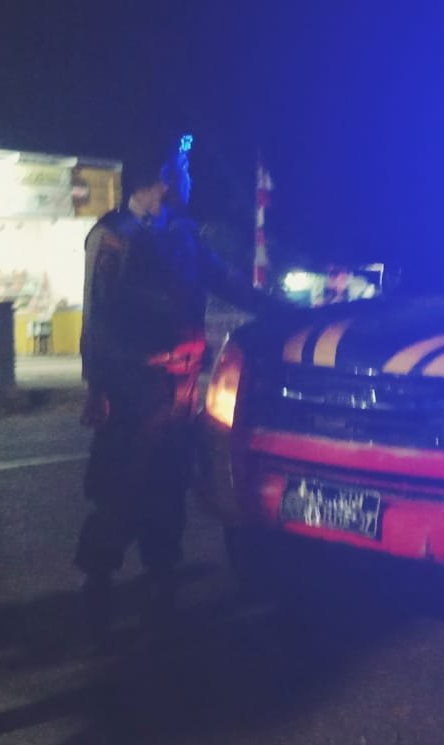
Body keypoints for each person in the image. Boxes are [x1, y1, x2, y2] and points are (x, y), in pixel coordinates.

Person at [77, 136, 277, 642]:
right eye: (182, 169)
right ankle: (96, 595)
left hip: (182, 389)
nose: (189, 178)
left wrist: (282, 311)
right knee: (119, 489)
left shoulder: (184, 234)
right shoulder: (113, 237)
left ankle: (161, 589)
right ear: (162, 179)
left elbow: (228, 281)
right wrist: (97, 385)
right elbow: (96, 319)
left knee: (168, 491)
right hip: (133, 388)